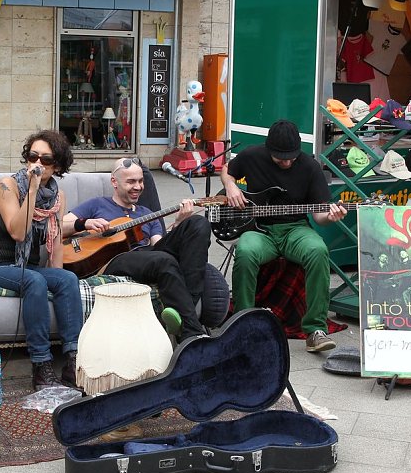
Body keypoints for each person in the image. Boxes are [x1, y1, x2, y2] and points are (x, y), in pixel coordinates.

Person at [220, 119, 347, 353]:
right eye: (281, 157)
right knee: (246, 251)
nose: (287, 161)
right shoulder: (252, 155)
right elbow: (228, 168)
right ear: (269, 150)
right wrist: (230, 186)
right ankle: (242, 324)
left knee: (318, 250)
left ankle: (315, 330)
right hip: (258, 229)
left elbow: (319, 216)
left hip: (295, 228)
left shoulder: (310, 167)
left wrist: (332, 217)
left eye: (292, 156)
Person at [0, 130, 83, 391]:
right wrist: (32, 191)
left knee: (67, 279)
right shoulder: (8, 186)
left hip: (27, 267)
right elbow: (18, 232)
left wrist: (56, 282)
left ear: (56, 165)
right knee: (34, 280)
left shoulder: (57, 197)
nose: (37, 164)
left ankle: (73, 362)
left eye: (45, 160)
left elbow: (55, 244)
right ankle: (41, 365)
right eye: (33, 157)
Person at [63, 158, 212, 342]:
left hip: (148, 257)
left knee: (199, 223)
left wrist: (180, 222)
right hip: (115, 259)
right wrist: (85, 223)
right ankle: (192, 333)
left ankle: (184, 313)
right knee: (163, 261)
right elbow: (60, 225)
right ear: (114, 182)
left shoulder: (148, 213)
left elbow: (159, 246)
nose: (138, 187)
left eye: (141, 181)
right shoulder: (97, 204)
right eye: (131, 182)